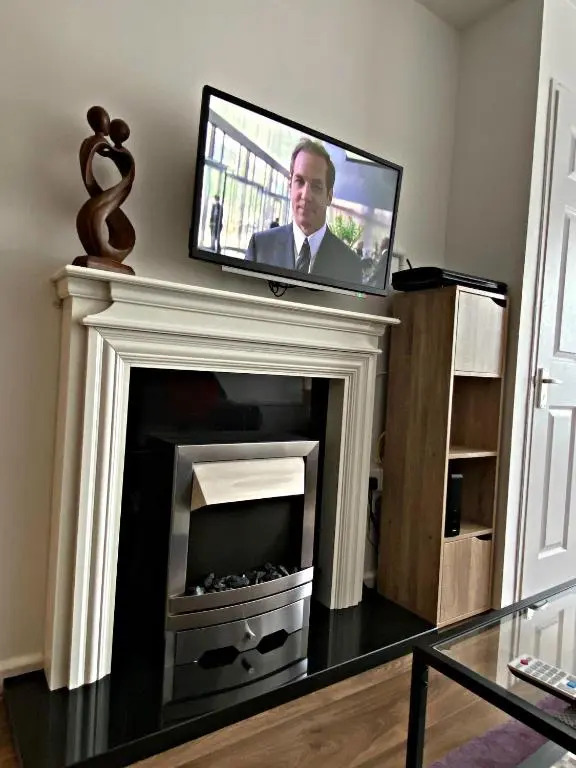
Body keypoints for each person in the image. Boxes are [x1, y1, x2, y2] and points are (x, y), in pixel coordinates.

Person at [245, 139, 362, 285]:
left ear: (329, 196)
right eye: (299, 181)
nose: (306, 195)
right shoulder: (260, 247)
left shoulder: (350, 264)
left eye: (316, 186)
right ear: (290, 185)